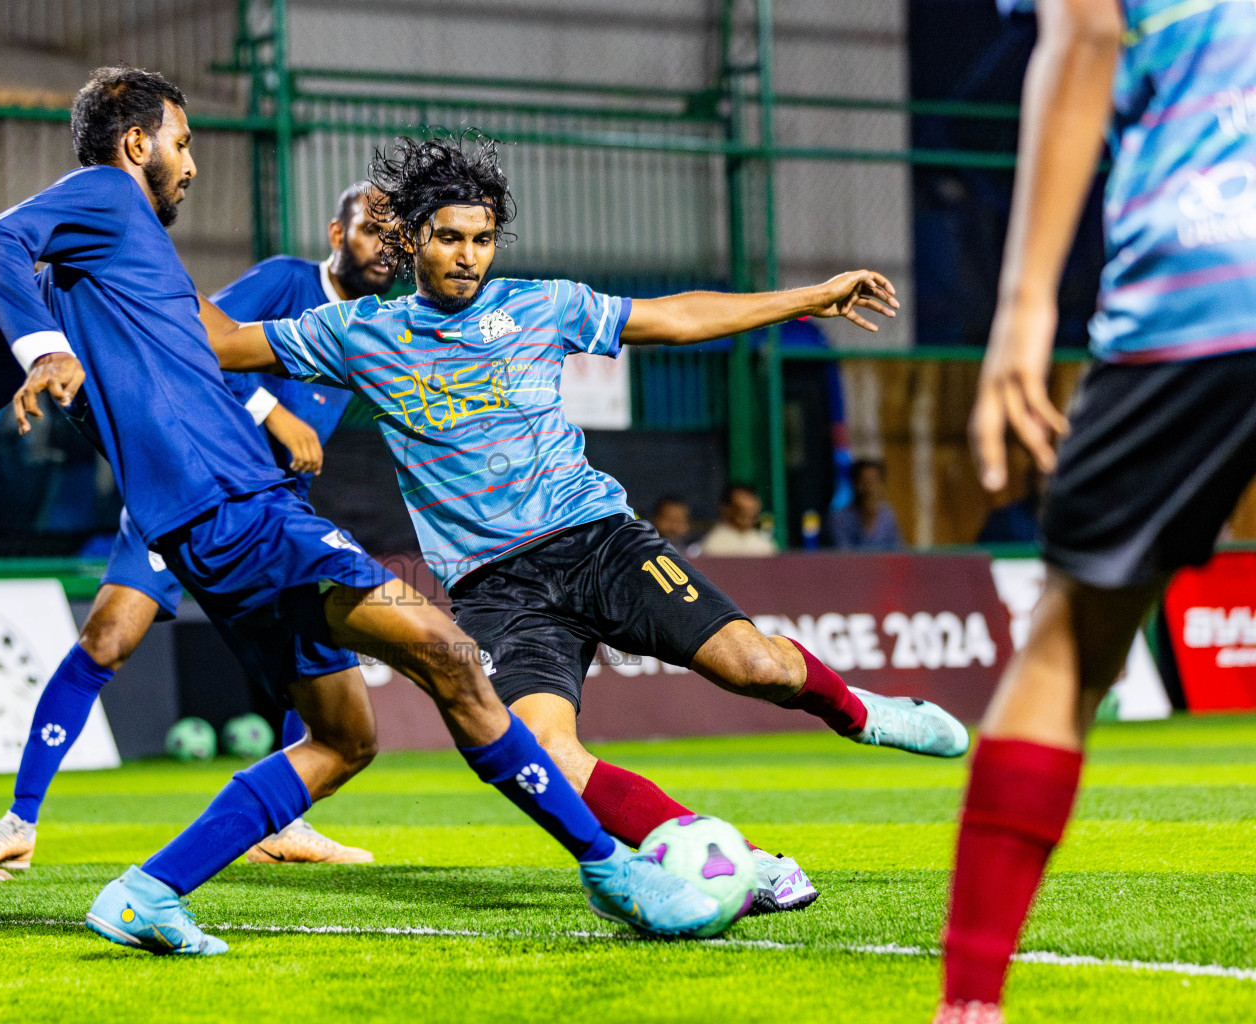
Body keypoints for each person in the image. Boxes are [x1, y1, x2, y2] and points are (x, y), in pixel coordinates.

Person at [0, 65, 722, 953]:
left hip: (206, 522)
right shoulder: (103, 197)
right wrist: (45, 350)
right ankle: (615, 874)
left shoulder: (84, 273)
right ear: (137, 144)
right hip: (238, 506)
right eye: (183, 142)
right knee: (453, 659)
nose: (192, 164)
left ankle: (149, 892)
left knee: (343, 738)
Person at [205, 134, 974, 915]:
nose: (469, 256)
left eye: (481, 239)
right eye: (449, 239)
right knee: (544, 753)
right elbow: (222, 342)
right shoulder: (358, 332)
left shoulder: (542, 304)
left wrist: (807, 298)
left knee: (757, 669)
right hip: (494, 588)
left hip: (598, 540)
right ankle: (726, 858)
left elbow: (675, 319)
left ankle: (866, 714)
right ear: (413, 241)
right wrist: (126, 261)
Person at [937, 1, 1256, 1020]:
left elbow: (1079, 34)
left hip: (1204, 273)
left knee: (1070, 644)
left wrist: (1025, 309)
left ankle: (970, 1006)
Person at [0, 181, 396, 870]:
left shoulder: (372, 322)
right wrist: (271, 414)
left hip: (273, 509)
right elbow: (190, 342)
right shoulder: (287, 280)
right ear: (337, 232)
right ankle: (18, 821)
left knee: (319, 645)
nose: (385, 246)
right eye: (371, 229)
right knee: (105, 641)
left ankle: (285, 821)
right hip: (190, 488)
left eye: (396, 236)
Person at [827, 457, 904, 550]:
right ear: (854, 484)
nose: (869, 488)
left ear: (883, 485)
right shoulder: (838, 519)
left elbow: (898, 551)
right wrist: (866, 519)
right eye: (864, 481)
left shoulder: (887, 515)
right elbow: (844, 557)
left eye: (874, 481)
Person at [700, 483, 777, 557]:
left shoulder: (762, 541)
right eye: (742, 511)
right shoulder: (714, 545)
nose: (748, 514)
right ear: (726, 509)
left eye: (751, 511)